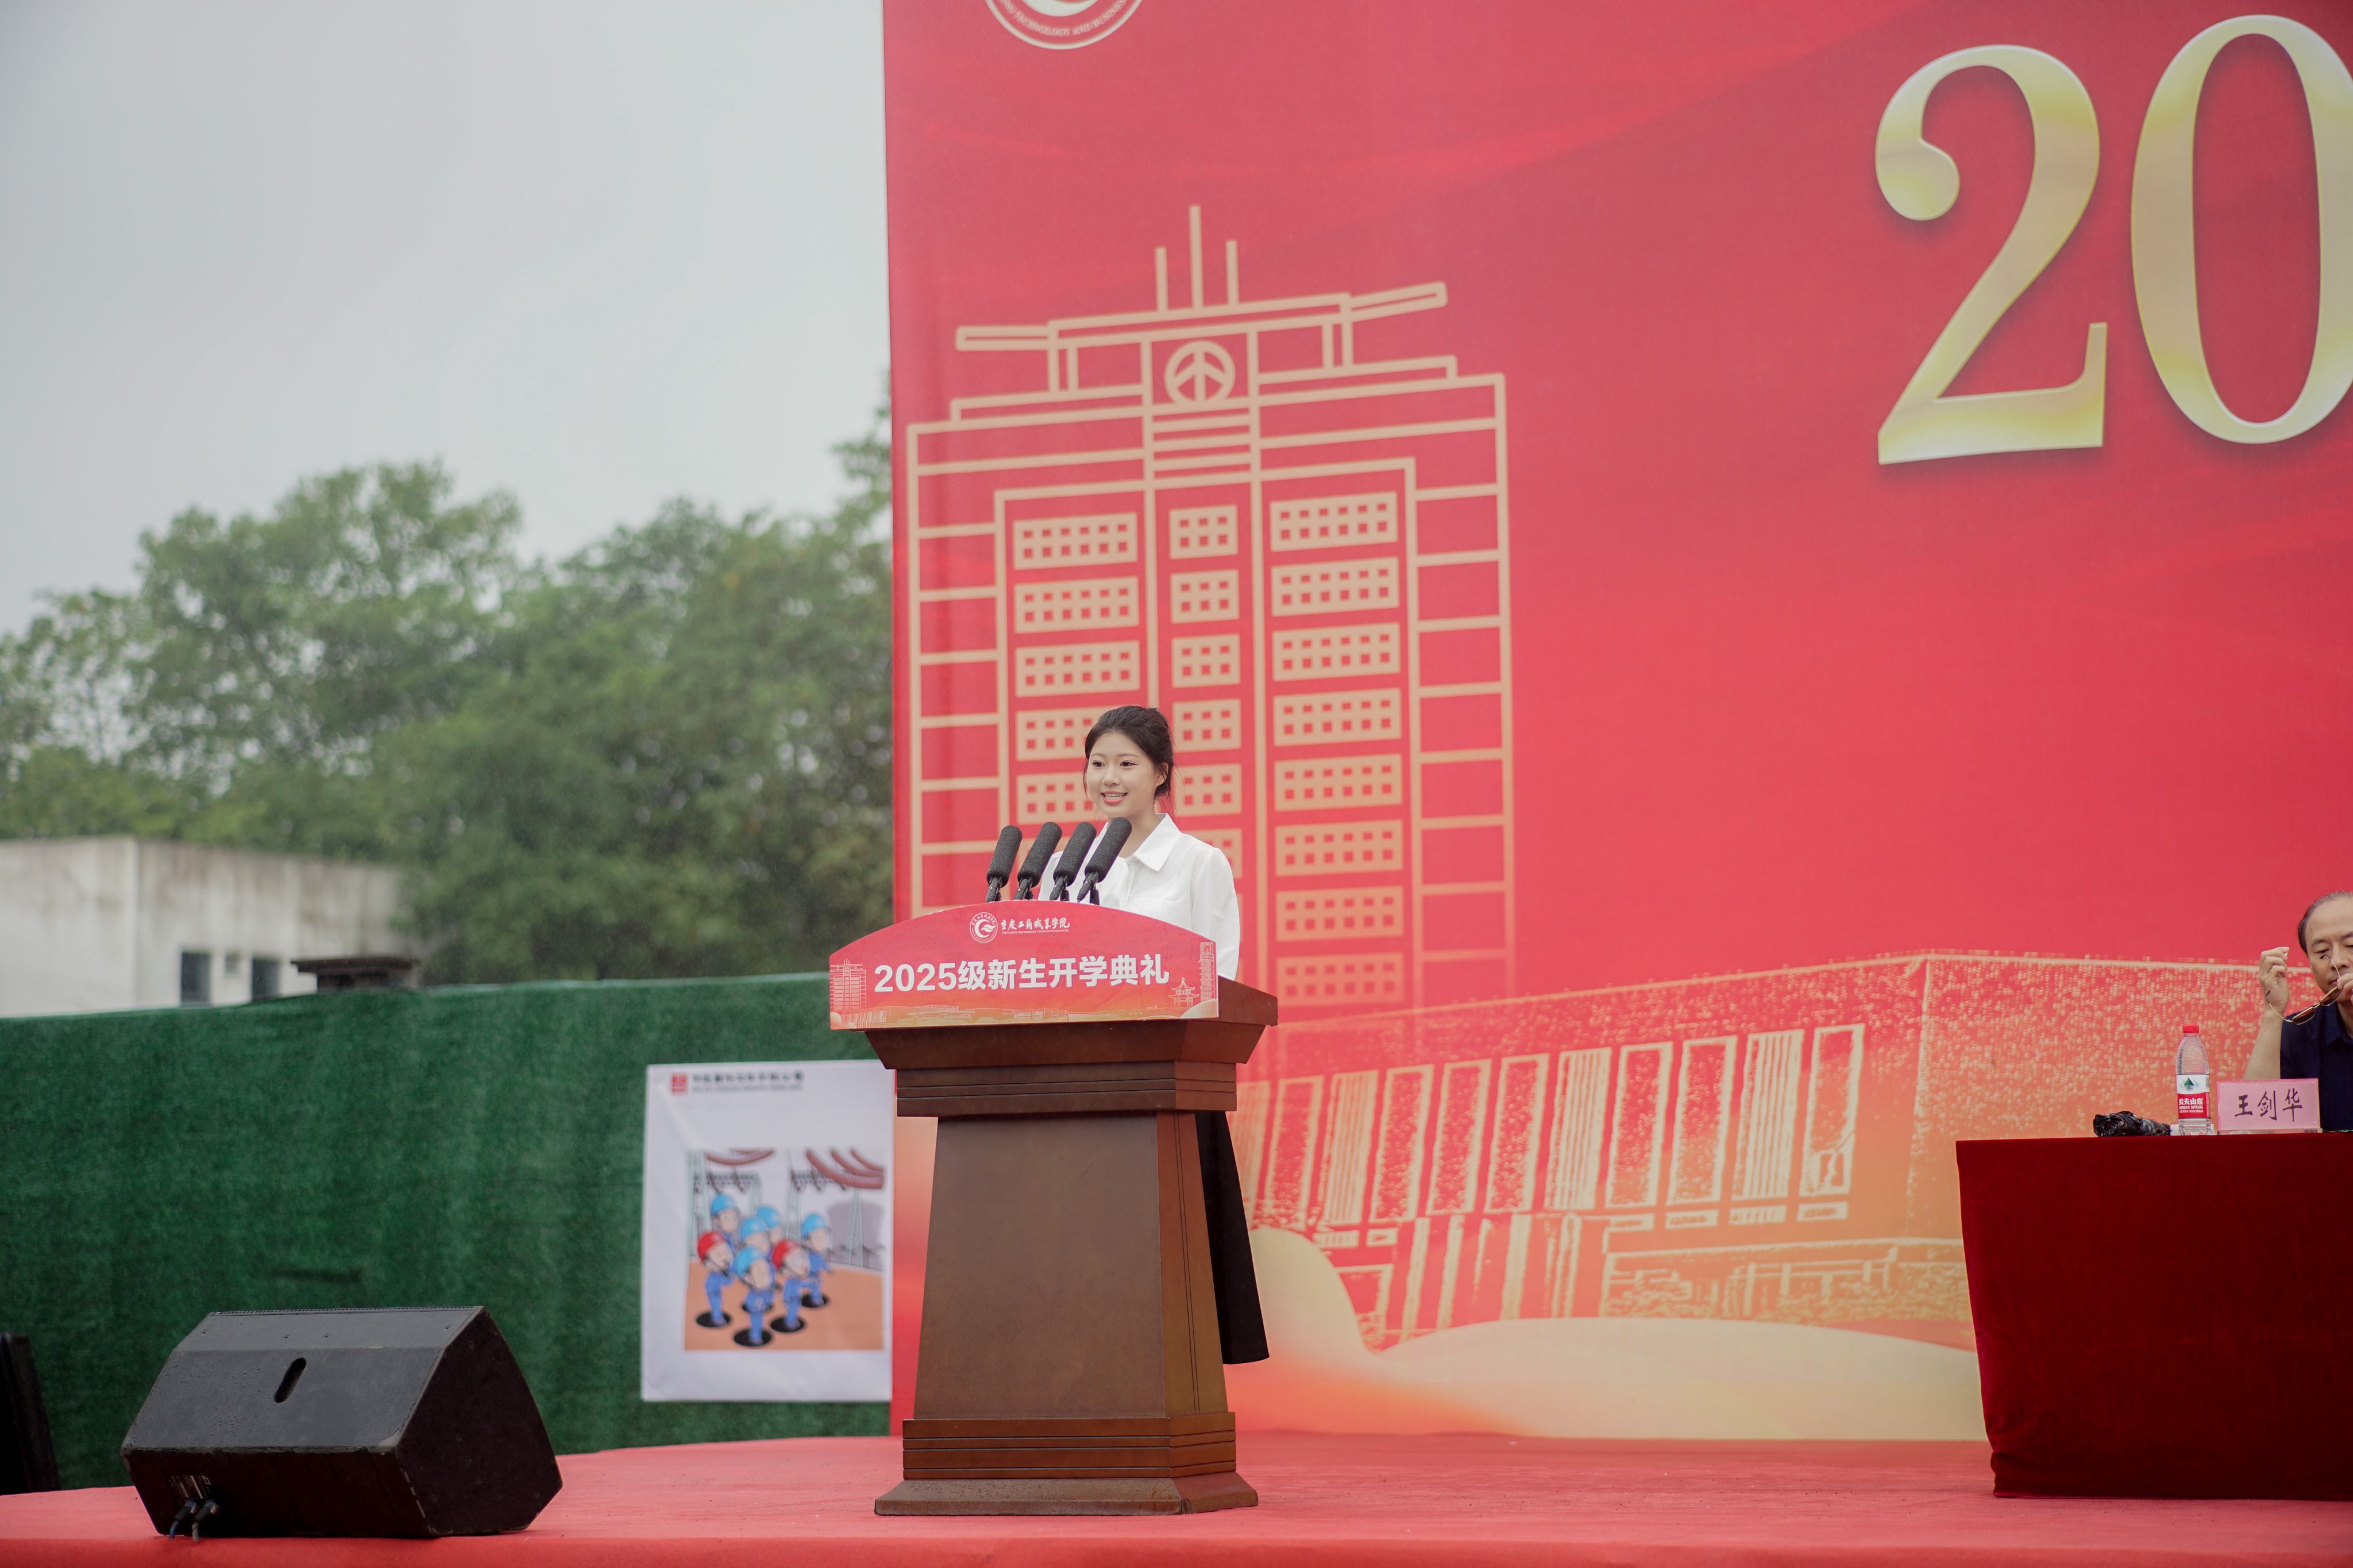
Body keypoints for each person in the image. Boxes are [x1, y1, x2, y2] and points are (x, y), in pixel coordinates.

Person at [1046, 704, 1265, 1363]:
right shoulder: (1065, 869)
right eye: (1097, 764)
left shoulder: (1199, 863)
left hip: (1167, 1092)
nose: (1108, 779)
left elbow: (1218, 979)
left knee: (1169, 1270)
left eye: (1126, 764)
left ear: (1162, 773)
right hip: (1078, 1092)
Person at [2248, 890, 2353, 1130]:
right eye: (2322, 953)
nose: (2337, 961)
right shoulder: (2299, 1033)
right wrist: (2273, 1012)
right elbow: (2254, 1126)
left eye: (2351, 945)